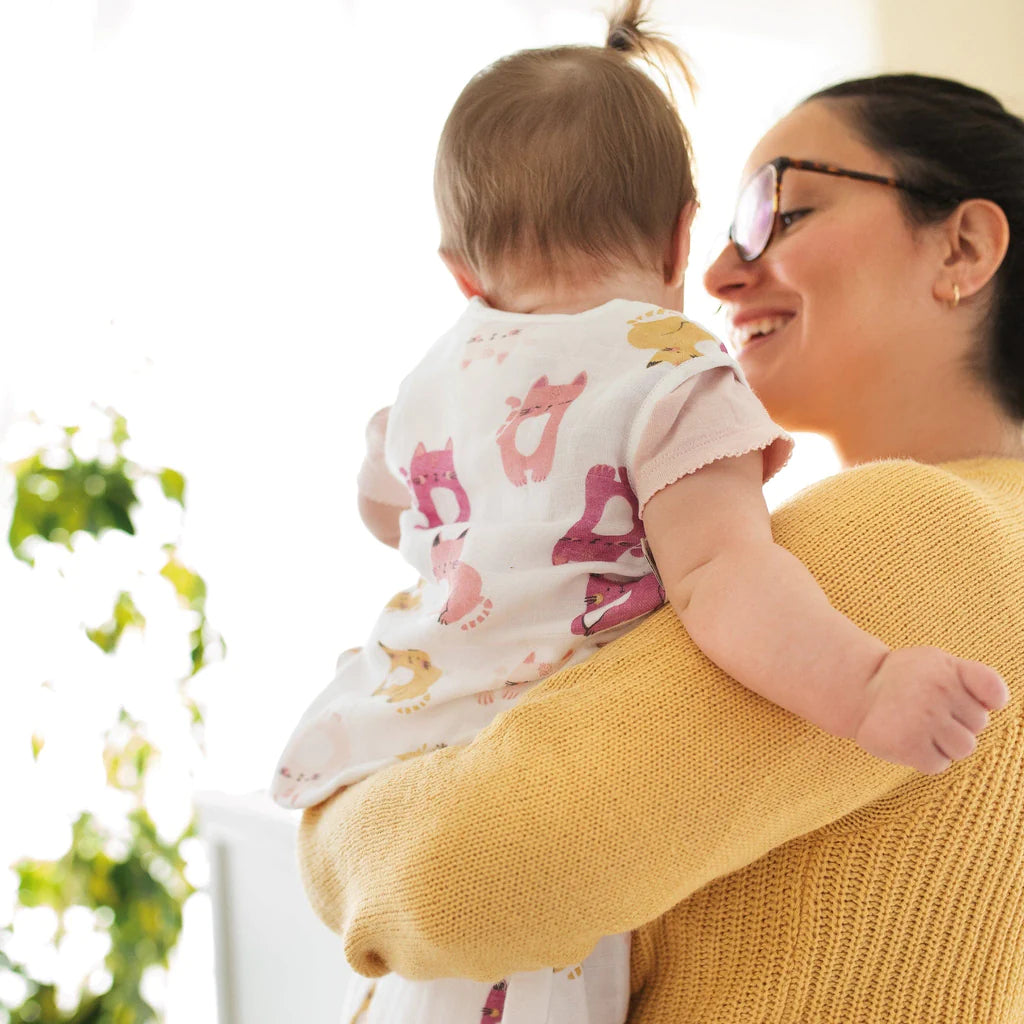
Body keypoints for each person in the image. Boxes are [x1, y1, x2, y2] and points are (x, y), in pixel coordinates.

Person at [293, 67, 1024, 1023]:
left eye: (778, 212)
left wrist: (331, 824)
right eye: (722, 228)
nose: (718, 274)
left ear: (963, 246)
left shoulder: (918, 529)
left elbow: (455, 880)